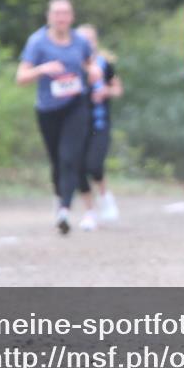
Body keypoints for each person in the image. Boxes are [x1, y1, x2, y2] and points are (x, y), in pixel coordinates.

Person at [16, 0, 98, 234]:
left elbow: (90, 63)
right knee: (56, 160)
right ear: (49, 16)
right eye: (57, 13)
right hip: (48, 110)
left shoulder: (80, 41)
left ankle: (64, 210)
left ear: (72, 17)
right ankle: (60, 200)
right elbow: (20, 77)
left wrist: (92, 71)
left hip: (76, 105)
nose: (61, 18)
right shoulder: (37, 42)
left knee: (69, 157)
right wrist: (43, 69)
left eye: (66, 13)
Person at [74, 24, 122, 230]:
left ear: (95, 41)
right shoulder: (70, 64)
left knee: (93, 165)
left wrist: (105, 92)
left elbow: (117, 89)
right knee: (77, 168)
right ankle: (89, 212)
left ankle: (104, 195)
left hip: (99, 123)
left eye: (90, 40)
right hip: (74, 124)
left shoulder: (105, 63)